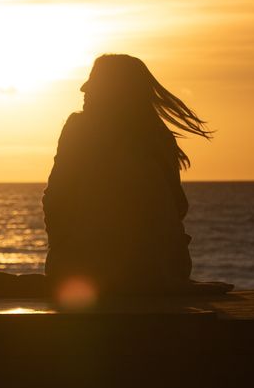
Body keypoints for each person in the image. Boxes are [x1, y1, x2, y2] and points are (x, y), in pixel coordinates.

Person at [42, 54, 213, 305]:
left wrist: (62, 249)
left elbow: (56, 198)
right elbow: (179, 206)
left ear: (113, 91)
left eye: (94, 82)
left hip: (88, 274)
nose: (84, 89)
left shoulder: (80, 128)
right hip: (159, 274)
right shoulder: (158, 136)